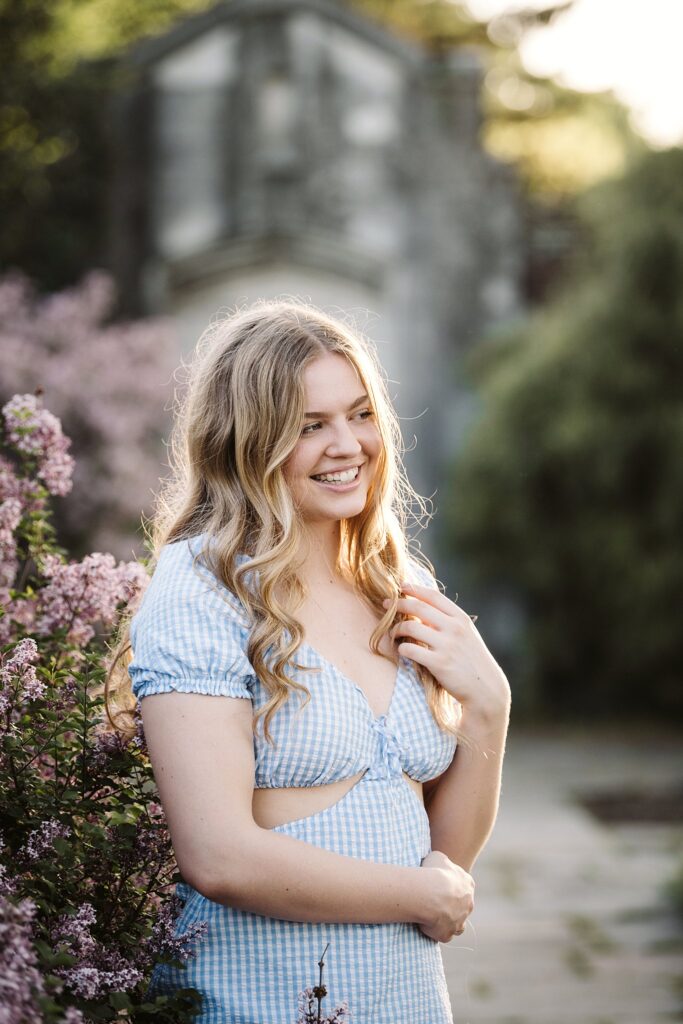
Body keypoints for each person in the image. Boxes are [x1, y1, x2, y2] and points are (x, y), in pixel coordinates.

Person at [110, 299, 511, 1024]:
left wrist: (490, 707)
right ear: (245, 442)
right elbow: (219, 857)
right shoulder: (200, 591)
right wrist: (425, 894)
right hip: (256, 1004)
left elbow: (443, 861)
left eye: (360, 414)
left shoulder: (397, 584)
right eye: (309, 426)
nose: (348, 445)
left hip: (408, 1005)